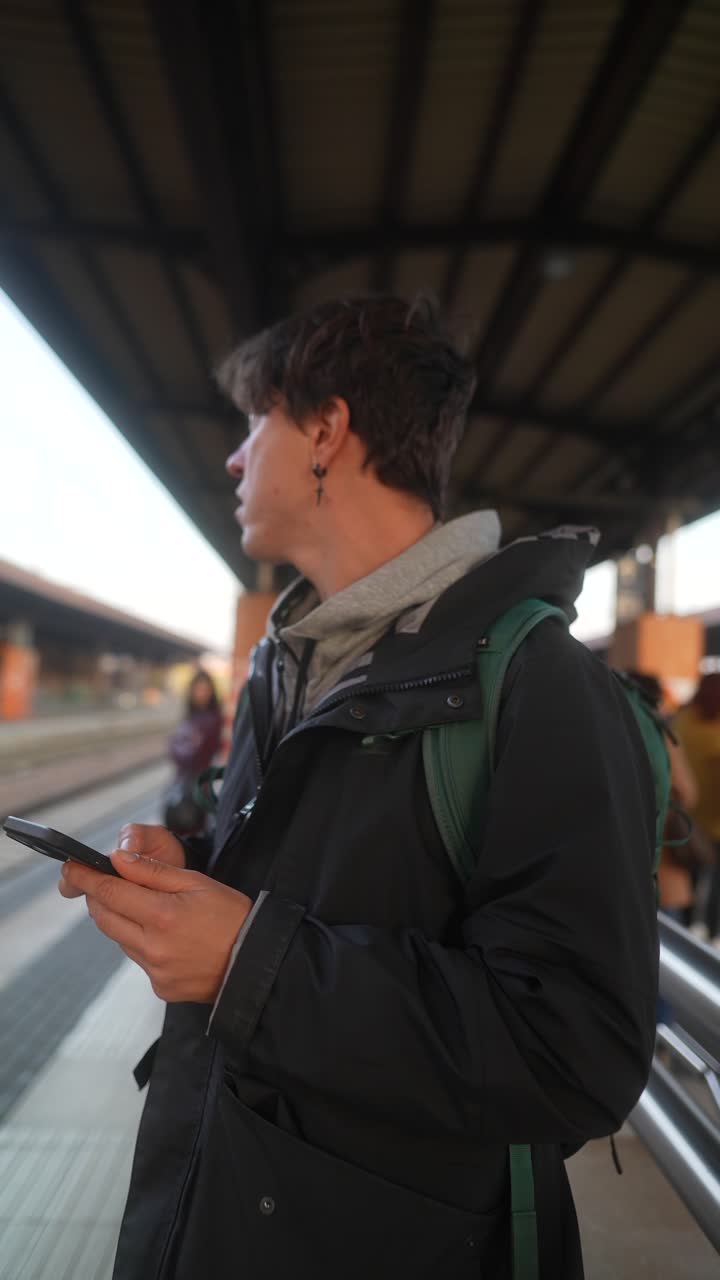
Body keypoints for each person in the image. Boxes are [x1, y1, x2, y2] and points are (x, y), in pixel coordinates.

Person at [59, 295, 658, 1280]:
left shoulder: (539, 681)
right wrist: (199, 872)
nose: (235, 457)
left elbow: (576, 1048)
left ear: (328, 430)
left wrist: (248, 962)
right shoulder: (287, 661)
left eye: (257, 422)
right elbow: (334, 881)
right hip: (224, 1203)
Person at [673, 673, 720, 945]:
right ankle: (711, 936)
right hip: (713, 820)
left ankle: (687, 933)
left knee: (690, 877)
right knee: (715, 887)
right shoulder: (714, 730)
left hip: (688, 818)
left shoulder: (683, 719)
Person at [163, 669, 223, 836]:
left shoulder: (214, 719)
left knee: (193, 830)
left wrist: (181, 745)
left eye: (205, 690)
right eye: (198, 689)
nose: (201, 694)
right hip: (182, 781)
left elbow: (198, 752)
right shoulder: (190, 717)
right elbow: (175, 750)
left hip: (200, 784)